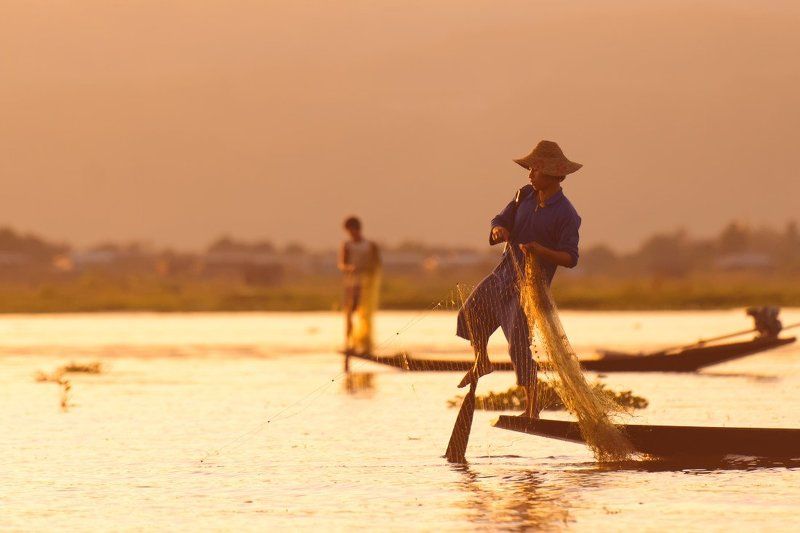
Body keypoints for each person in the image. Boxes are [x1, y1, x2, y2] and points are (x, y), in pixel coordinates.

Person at [456, 140, 583, 418]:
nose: (529, 175)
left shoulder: (567, 215)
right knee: (468, 314)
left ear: (551, 174)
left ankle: (531, 409)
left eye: (534, 170)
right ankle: (482, 361)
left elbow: (570, 258)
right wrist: (499, 229)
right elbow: (498, 219)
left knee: (519, 344)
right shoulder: (523, 196)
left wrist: (540, 251)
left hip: (528, 289)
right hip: (502, 275)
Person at [338, 216, 382, 354]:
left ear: (357, 229)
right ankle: (350, 343)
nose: (350, 234)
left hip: (366, 285)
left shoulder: (370, 245)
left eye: (351, 230)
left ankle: (366, 345)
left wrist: (367, 269)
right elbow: (342, 264)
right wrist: (349, 268)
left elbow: (376, 264)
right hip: (351, 283)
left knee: (365, 314)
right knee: (349, 313)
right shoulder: (347, 245)